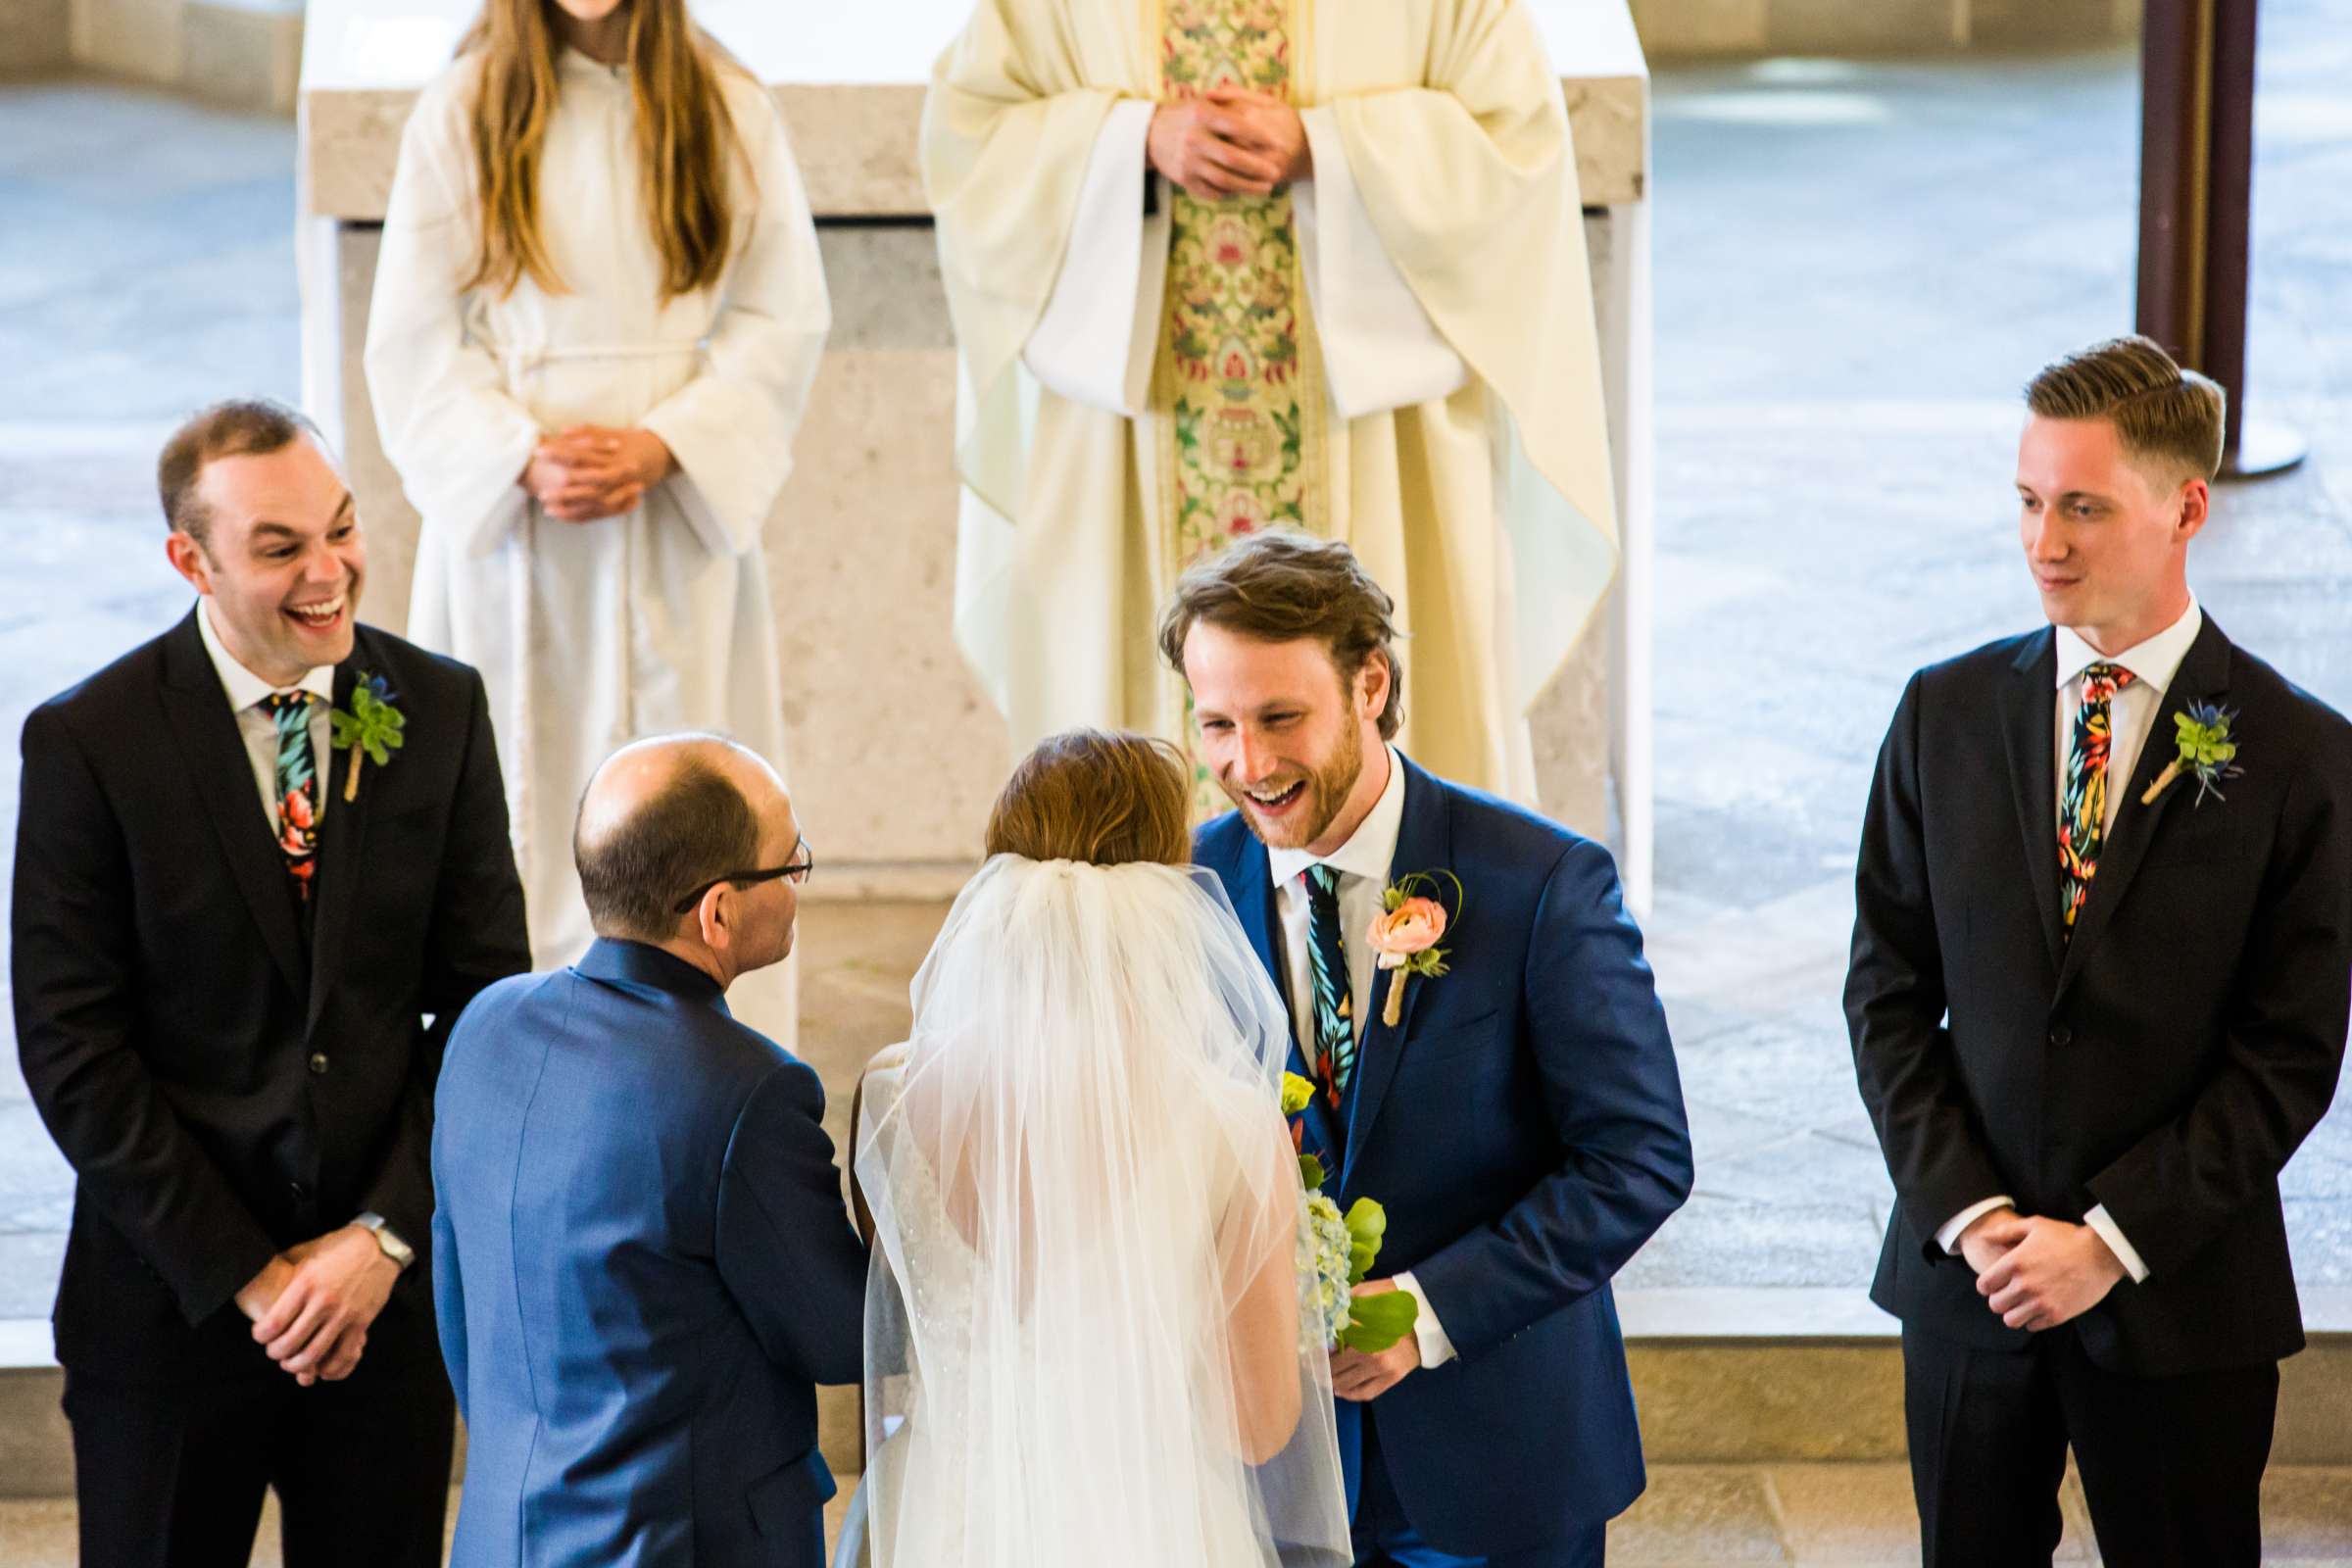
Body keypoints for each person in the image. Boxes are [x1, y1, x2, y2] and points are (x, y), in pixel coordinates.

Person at [1845, 335, 2352, 1567]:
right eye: (2027, 501)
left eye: (2082, 506)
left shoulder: (2299, 757)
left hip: (2181, 1300)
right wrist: (1971, 1216)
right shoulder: (1942, 715)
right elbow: (1887, 992)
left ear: (2187, 509)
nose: (2043, 541)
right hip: (1973, 1288)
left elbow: (2286, 1058)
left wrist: (2109, 1241)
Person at [10, 398, 530, 1568]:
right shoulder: (90, 742)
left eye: (340, 530)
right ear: (188, 559)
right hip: (170, 1304)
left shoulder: (436, 710)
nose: (330, 572)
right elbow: (71, 1046)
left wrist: (384, 1236)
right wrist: (249, 1274)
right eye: (281, 548)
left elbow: (485, 1007)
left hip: (379, 1317)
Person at [923, 0, 1618, 809]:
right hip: (1137, 425)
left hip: (1370, 430)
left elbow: (1517, 140)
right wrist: (1132, 140)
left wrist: (1331, 148)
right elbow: (970, 131)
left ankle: (1386, 934)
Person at [1174, 532, 1692, 1567]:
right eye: (1217, 725)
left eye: (1281, 718)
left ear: (1371, 683)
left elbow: (1639, 1160)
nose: (1250, 763)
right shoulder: (1189, 886)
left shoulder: (1540, 882)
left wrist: (1425, 1310)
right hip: (1271, 1465)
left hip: (1494, 1450)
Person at [366, 0, 830, 1045]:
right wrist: (516, 453)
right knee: (519, 809)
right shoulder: (468, 106)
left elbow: (782, 314)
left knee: (693, 808)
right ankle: (525, 1065)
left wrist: (671, 441)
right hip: (517, 533)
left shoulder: (723, 103)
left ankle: (707, 1074)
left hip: (671, 515)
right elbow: (410, 337)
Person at [853, 729, 1352, 1568]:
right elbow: (1261, 1427)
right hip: (1149, 1524)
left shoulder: (889, 1095)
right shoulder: (1229, 1120)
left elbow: (894, 1312)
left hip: (945, 1515)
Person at [431, 734, 866, 1568]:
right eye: (790, 863)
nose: (800, 883)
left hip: (504, 1535)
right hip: (683, 1545)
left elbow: (459, 1296)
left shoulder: (485, 1026)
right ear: (718, 912)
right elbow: (840, 1337)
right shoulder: (748, 1091)